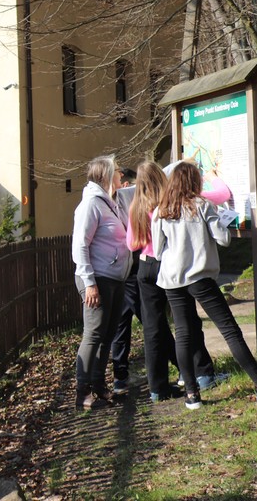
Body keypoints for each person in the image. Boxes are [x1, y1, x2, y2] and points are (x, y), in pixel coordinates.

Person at [152, 162, 257, 409]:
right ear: (193, 182)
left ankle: (191, 395)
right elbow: (223, 239)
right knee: (230, 331)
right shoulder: (202, 206)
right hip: (200, 277)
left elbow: (157, 251)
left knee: (183, 334)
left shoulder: (161, 211)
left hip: (172, 280)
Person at [127, 160, 226, 402]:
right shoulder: (169, 201)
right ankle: (201, 373)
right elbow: (222, 195)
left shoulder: (136, 208)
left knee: (152, 328)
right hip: (169, 264)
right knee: (187, 321)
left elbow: (131, 244)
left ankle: (157, 388)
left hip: (145, 266)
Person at [71, 155, 132, 409]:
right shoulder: (91, 204)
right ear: (106, 174)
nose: (121, 174)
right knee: (94, 334)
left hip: (115, 278)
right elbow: (80, 245)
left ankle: (98, 385)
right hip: (97, 278)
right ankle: (82, 392)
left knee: (108, 334)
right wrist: (90, 282)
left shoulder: (112, 201)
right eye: (117, 170)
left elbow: (145, 185)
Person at [109, 167, 139, 395]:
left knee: (121, 324)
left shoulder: (110, 202)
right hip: (128, 268)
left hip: (121, 268)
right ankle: (119, 375)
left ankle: (120, 376)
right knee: (148, 319)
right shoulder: (109, 202)